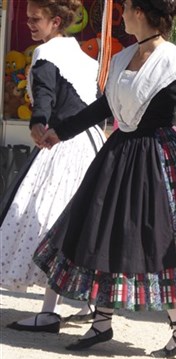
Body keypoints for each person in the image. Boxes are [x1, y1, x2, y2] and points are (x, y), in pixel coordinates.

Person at [32, 0, 176, 357]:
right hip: (121, 154)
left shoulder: (173, 63)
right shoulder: (123, 58)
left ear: (141, 13)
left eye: (125, 9)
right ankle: (102, 322)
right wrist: (59, 132)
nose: (120, 15)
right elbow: (104, 107)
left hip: (159, 159)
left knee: (151, 240)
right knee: (106, 232)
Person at [1, 0, 106, 333]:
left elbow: (44, 95)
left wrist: (39, 121)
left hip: (61, 145)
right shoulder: (85, 58)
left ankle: (48, 312)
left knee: (48, 223)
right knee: (82, 222)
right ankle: (88, 303)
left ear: (55, 21)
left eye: (36, 19)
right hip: (93, 145)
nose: (30, 24)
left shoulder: (45, 55)